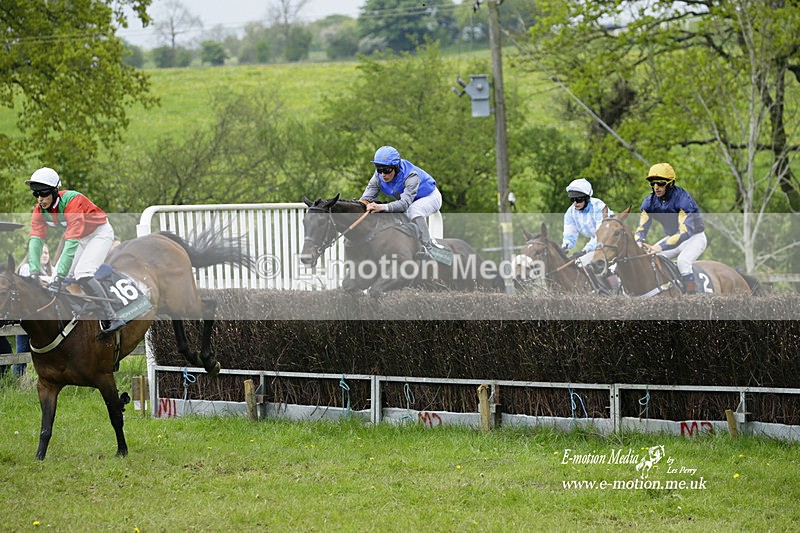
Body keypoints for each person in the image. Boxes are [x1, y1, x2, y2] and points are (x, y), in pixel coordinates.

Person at [25, 167, 125, 332]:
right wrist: (34, 272)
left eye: (43, 193)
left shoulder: (73, 201)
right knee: (54, 279)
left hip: (99, 234)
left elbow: (71, 242)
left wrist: (61, 275)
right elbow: (36, 240)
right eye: (36, 194)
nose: (40, 199)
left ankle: (111, 316)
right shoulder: (39, 211)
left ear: (54, 191)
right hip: (80, 237)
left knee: (83, 274)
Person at [634, 162, 707, 294]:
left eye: (660, 183)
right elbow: (641, 229)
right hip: (672, 238)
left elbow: (684, 232)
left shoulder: (683, 199)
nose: (656, 187)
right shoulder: (648, 202)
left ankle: (692, 298)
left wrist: (661, 246)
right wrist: (638, 241)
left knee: (683, 261)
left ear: (671, 183)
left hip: (693, 238)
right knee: (650, 259)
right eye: (653, 183)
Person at [360, 146, 442, 259]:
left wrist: (382, 207)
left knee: (414, 210)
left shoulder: (411, 175)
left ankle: (428, 247)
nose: (383, 174)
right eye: (379, 169)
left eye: (387, 170)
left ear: (396, 167)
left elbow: (404, 204)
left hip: (430, 196)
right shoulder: (378, 176)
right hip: (409, 200)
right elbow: (365, 199)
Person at [12, 243, 55, 378]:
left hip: (44, 318)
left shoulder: (51, 270)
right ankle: (17, 379)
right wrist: (49, 282)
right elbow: (32, 284)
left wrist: (49, 281)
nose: (44, 255)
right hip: (29, 315)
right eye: (40, 252)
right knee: (22, 349)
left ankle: (48, 378)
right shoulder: (26, 268)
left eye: (46, 253)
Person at [561, 178, 614, 260]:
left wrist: (585, 250)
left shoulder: (599, 207)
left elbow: (601, 235)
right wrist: (564, 248)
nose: (575, 203)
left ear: (587, 198)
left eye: (578, 199)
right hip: (597, 243)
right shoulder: (570, 213)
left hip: (611, 240)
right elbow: (569, 236)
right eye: (572, 199)